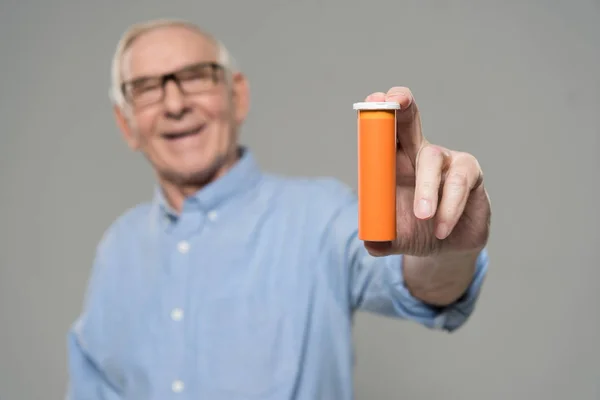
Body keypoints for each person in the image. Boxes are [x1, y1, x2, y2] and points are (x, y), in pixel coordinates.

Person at [66, 18, 491, 400]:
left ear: (239, 96)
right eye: (146, 88)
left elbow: (426, 286)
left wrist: (446, 244)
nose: (175, 104)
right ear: (127, 124)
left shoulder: (321, 216)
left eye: (195, 77)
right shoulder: (116, 248)